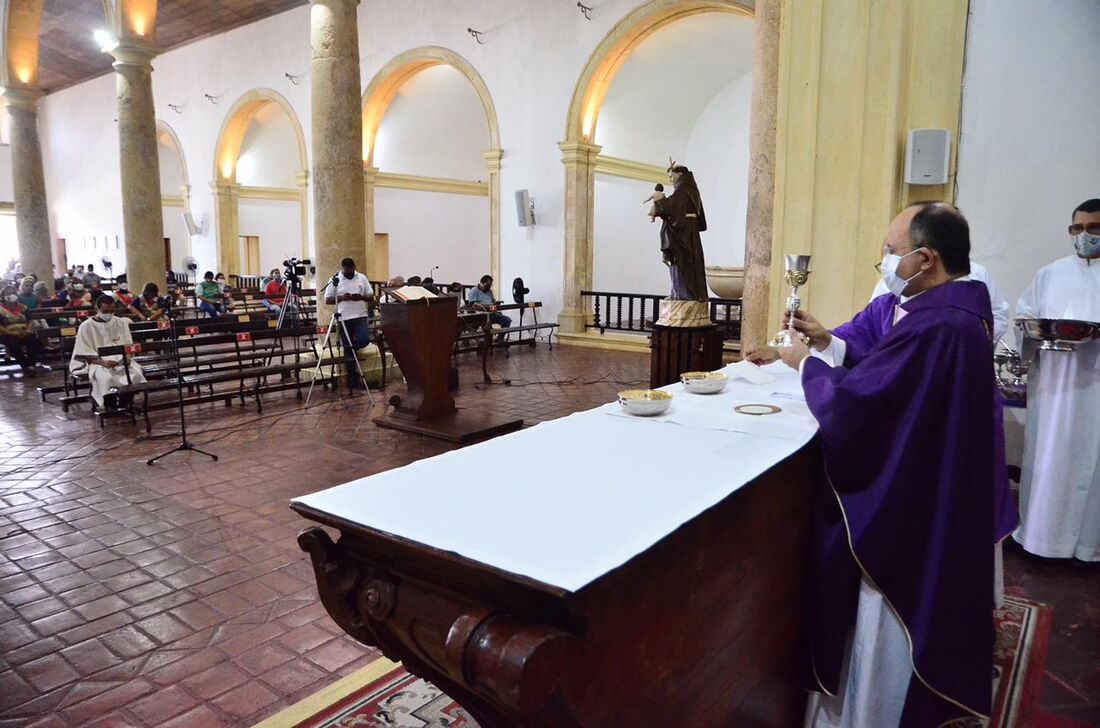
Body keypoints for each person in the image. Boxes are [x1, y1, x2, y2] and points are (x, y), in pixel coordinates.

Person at [746, 203, 1015, 727]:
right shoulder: (953, 313)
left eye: (892, 252)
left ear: (926, 259)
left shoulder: (937, 325)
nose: (886, 263)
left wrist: (809, 364)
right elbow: (890, 377)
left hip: (907, 516)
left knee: (883, 629)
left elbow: (859, 411)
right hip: (933, 488)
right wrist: (827, 345)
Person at [1013, 198, 1100, 562]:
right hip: (1053, 385)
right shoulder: (1050, 273)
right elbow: (1024, 318)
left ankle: (1087, 544)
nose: (1083, 236)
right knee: (1047, 458)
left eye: (1093, 228)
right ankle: (1038, 538)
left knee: (1090, 461)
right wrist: (1033, 335)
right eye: (1077, 228)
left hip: (1094, 387)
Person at [870, 258, 1010, 342]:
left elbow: (997, 314)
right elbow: (870, 324)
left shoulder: (976, 274)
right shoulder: (894, 280)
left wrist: (977, 340)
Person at [70, 294, 146, 409]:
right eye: (105, 311)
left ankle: (124, 403)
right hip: (97, 362)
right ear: (97, 309)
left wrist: (128, 357)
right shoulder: (86, 326)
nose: (108, 314)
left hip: (121, 360)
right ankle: (110, 405)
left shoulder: (121, 323)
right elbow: (84, 351)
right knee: (106, 378)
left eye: (111, 311)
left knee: (136, 373)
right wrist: (102, 362)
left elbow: (129, 345)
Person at [650, 163, 708, 301]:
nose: (671, 180)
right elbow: (675, 206)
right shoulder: (691, 189)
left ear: (680, 174)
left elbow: (673, 208)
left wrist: (660, 201)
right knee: (682, 262)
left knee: (681, 261)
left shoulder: (684, 189)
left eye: (672, 176)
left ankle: (682, 295)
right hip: (688, 231)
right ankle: (680, 293)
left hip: (683, 232)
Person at [324, 257, 374, 388]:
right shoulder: (335, 279)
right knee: (347, 349)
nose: (350, 274)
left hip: (360, 316)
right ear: (343, 269)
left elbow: (370, 296)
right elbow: (327, 299)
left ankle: (352, 349)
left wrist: (360, 297)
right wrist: (342, 297)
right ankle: (353, 379)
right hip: (343, 318)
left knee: (364, 340)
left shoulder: (361, 277)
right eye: (347, 272)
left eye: (352, 272)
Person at [1, 284, 50, 376]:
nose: (12, 295)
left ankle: (30, 365)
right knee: (13, 344)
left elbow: (30, 321)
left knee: (34, 341)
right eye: (9, 293)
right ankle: (25, 366)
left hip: (24, 332)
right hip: (7, 334)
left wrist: (28, 331)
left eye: (13, 293)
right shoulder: (1, 309)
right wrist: (12, 333)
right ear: (4, 297)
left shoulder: (23, 307)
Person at [466, 275, 511, 342]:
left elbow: (493, 302)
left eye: (490, 284)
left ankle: (500, 339)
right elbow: (473, 306)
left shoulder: (489, 291)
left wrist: (496, 303)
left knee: (507, 320)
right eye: (488, 284)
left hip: (491, 313)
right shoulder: (474, 290)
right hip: (481, 315)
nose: (489, 286)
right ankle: (486, 345)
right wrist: (487, 306)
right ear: (483, 282)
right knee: (488, 328)